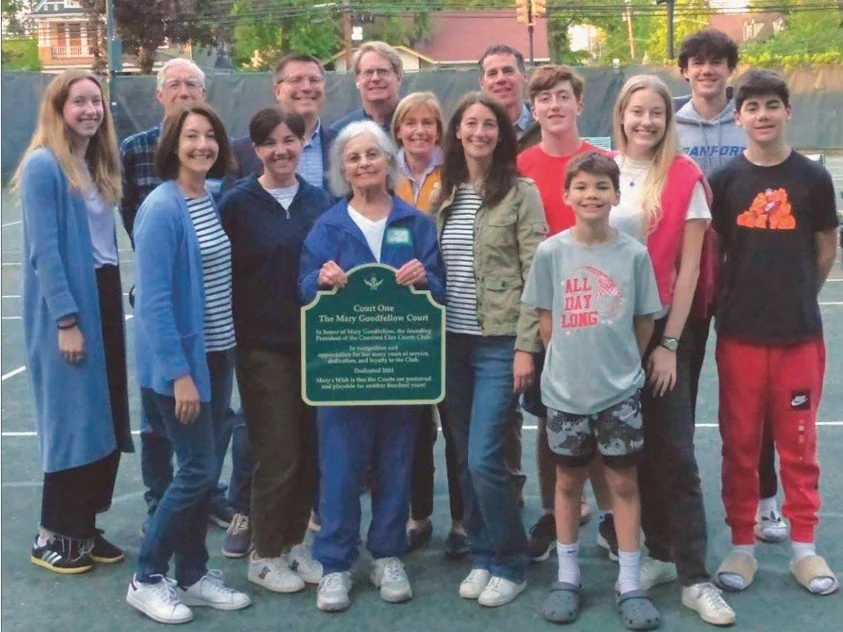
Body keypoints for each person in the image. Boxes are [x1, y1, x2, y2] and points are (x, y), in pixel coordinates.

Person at [299, 120, 446, 613]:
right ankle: (336, 564)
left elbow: (440, 294)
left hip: (401, 371)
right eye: (353, 157)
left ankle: (387, 554)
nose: (364, 163)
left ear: (389, 160)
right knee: (339, 469)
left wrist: (424, 278)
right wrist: (319, 278)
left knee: (396, 465)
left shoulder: (416, 224)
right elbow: (302, 290)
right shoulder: (328, 227)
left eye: (372, 155)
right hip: (343, 373)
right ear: (342, 169)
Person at [609, 75, 735, 626]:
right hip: (607, 333)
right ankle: (654, 553)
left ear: (668, 120)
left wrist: (668, 344)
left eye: (656, 113)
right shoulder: (600, 170)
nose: (646, 122)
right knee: (627, 454)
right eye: (637, 111)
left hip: (662, 330)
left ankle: (694, 575)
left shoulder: (686, 176)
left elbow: (685, 276)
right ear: (622, 115)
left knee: (676, 453)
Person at [708, 70, 839, 596]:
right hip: (739, 336)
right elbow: (715, 254)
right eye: (752, 107)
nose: (762, 115)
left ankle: (805, 548)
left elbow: (824, 248)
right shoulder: (723, 181)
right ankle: (743, 544)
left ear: (788, 111)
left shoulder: (813, 179)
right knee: (740, 443)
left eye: (771, 105)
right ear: (737, 117)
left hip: (798, 338)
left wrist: (798, 292)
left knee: (799, 444)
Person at [523, 152, 662, 629]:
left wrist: (621, 364)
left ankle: (629, 581)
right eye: (581, 187)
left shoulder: (633, 254)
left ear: (616, 194)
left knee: (623, 484)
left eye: (602, 187)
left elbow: (644, 321)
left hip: (619, 392)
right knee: (566, 483)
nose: (591, 195)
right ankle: (567, 576)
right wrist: (569, 365)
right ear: (566, 196)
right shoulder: (551, 253)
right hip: (564, 393)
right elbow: (546, 322)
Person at [126, 103, 250, 624]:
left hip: (217, 357)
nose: (202, 145)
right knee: (196, 470)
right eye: (191, 136)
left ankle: (194, 575)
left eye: (210, 137)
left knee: (202, 472)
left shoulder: (207, 198)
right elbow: (152, 301)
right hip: (184, 368)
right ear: (172, 143)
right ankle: (147, 576)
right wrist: (180, 374)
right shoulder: (160, 207)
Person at [15, 70, 133, 574]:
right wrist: (67, 319)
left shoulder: (97, 163)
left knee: (103, 413)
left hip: (102, 291)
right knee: (72, 420)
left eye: (96, 101)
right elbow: (45, 252)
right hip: (67, 304)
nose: (90, 110)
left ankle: (83, 525)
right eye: (79, 102)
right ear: (59, 109)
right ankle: (54, 534)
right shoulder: (45, 167)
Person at [432, 92, 546, 608]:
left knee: (484, 458)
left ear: (502, 135)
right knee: (462, 458)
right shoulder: (444, 193)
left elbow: (536, 276)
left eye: (489, 125)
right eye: (470, 124)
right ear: (457, 132)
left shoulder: (522, 193)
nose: (479, 132)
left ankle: (511, 561)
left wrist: (527, 347)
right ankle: (481, 554)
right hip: (450, 345)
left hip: (500, 345)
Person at [675, 28, 787, 544]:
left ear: (730, 69)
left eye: (717, 62)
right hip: (689, 277)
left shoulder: (751, 117)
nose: (707, 71)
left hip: (746, 275)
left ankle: (766, 501)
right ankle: (676, 501)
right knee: (679, 391)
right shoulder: (669, 122)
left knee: (756, 399)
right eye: (698, 62)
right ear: (685, 70)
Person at [219, 106, 335, 593]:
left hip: (313, 343)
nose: (282, 150)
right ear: (257, 150)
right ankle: (264, 554)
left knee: (310, 449)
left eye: (291, 140)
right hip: (262, 347)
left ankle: (292, 545)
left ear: (303, 142)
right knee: (279, 450)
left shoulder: (321, 202)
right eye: (271, 143)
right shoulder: (238, 204)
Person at [516, 64, 617, 564]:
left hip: (597, 314)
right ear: (533, 110)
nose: (554, 106)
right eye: (544, 100)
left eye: (563, 97)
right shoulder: (519, 166)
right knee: (549, 417)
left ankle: (611, 517)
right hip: (545, 314)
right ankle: (561, 514)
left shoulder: (604, 163)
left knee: (601, 415)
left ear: (579, 104)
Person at [391, 91, 467, 558]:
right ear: (397, 129)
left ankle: (462, 521)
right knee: (413, 428)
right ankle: (418, 516)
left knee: (455, 425)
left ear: (440, 130)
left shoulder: (455, 174)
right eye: (410, 123)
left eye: (428, 123)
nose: (419, 130)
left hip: (450, 310)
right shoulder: (381, 170)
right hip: (400, 320)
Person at [477, 43, 534, 506]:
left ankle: (567, 504)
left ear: (523, 75)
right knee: (492, 432)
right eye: (492, 72)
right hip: (477, 321)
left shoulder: (544, 127)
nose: (500, 78)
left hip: (529, 308)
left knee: (556, 411)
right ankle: (504, 499)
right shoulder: (460, 167)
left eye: (508, 70)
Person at [232, 53, 336, 190]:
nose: (306, 87)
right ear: (277, 91)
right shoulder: (242, 151)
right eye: (296, 80)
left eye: (314, 80)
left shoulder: (342, 145)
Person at [330, 41, 403, 135]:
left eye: (382, 71)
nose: (375, 78)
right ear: (357, 81)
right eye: (368, 72)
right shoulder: (340, 132)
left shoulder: (418, 126)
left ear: (398, 78)